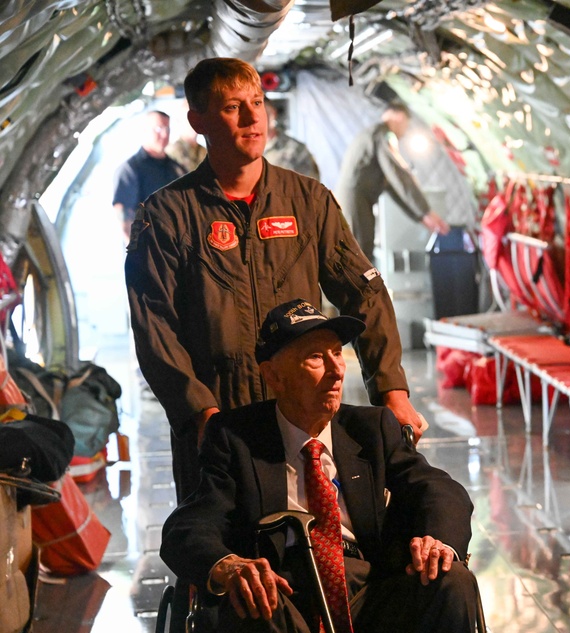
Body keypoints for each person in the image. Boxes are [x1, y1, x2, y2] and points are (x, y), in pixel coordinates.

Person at [125, 58, 425, 503]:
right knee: (222, 554)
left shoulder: (307, 202)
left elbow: (365, 292)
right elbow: (155, 329)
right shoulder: (167, 216)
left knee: (312, 543)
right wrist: (198, 413)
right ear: (198, 121)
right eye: (232, 107)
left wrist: (392, 389)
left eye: (257, 103)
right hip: (218, 419)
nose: (252, 118)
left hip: (302, 411)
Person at [160, 299, 477, 633]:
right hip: (286, 598)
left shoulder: (371, 429)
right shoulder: (236, 439)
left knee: (452, 582)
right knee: (253, 600)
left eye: (337, 354)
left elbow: (437, 488)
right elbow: (190, 524)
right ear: (273, 376)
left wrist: (439, 541)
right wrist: (228, 565)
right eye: (315, 357)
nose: (336, 370)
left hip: (369, 592)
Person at [335, 102, 450, 261]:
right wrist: (425, 212)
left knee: (362, 250)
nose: (403, 133)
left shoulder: (375, 134)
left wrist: (421, 215)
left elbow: (392, 186)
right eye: (406, 126)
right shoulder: (384, 134)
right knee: (359, 252)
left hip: (355, 199)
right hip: (355, 199)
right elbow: (398, 173)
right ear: (400, 117)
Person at [112, 110, 185, 241]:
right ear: (144, 131)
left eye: (167, 129)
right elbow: (125, 222)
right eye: (158, 129)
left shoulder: (176, 167)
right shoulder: (130, 170)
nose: (164, 134)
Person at [263, 98, 320, 180]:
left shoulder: (296, 150)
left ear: (273, 114)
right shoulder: (243, 149)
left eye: (264, 114)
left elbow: (311, 188)